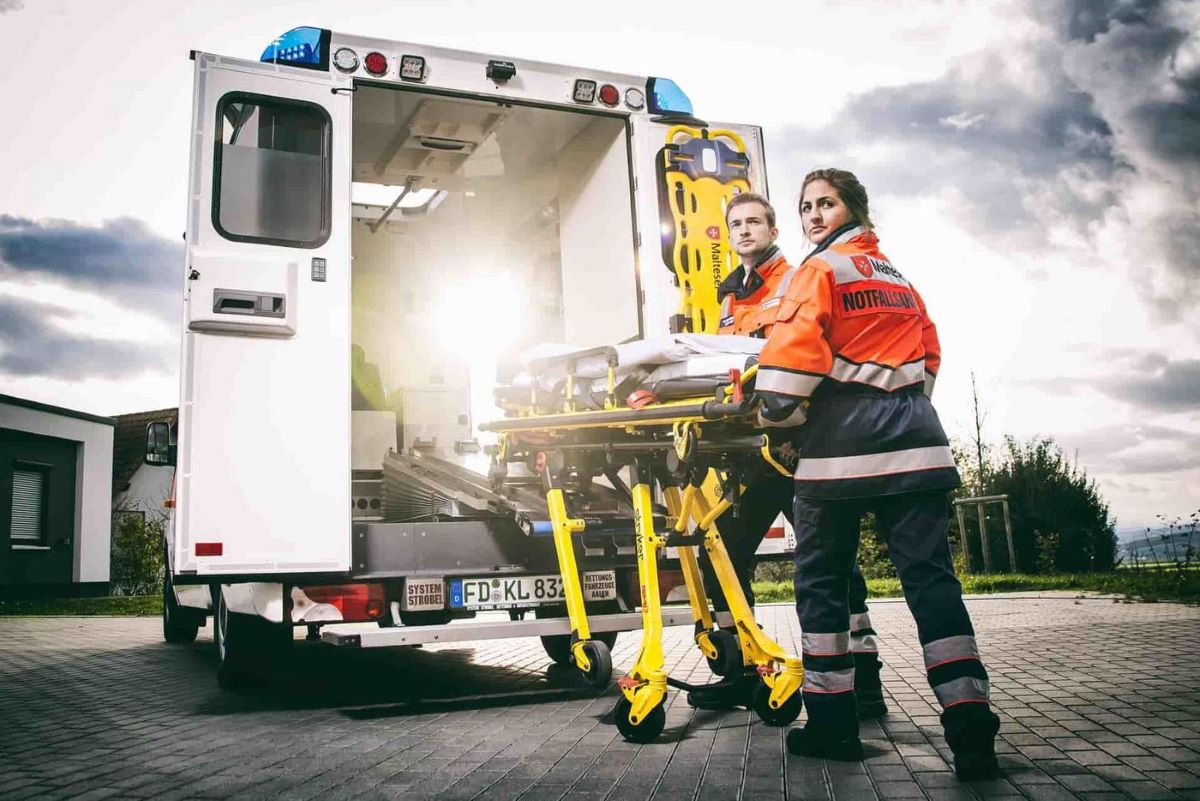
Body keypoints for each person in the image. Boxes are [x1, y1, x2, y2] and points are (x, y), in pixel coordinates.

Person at [755, 169, 1000, 780]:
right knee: (933, 586)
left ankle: (834, 726)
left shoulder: (816, 272)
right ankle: (971, 727)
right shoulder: (900, 280)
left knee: (823, 585)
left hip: (839, 452)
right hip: (919, 447)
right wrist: (899, 406)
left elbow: (787, 373)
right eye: (805, 206)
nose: (813, 216)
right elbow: (929, 359)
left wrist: (776, 419)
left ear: (852, 209)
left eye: (825, 204)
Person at [687, 192, 888, 721]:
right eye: (736, 224)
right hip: (750, 456)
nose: (745, 230)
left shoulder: (800, 279)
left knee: (832, 562)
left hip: (797, 449)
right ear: (728, 235)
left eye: (755, 221)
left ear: (773, 229)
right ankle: (741, 671)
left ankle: (865, 681)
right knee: (724, 552)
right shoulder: (729, 300)